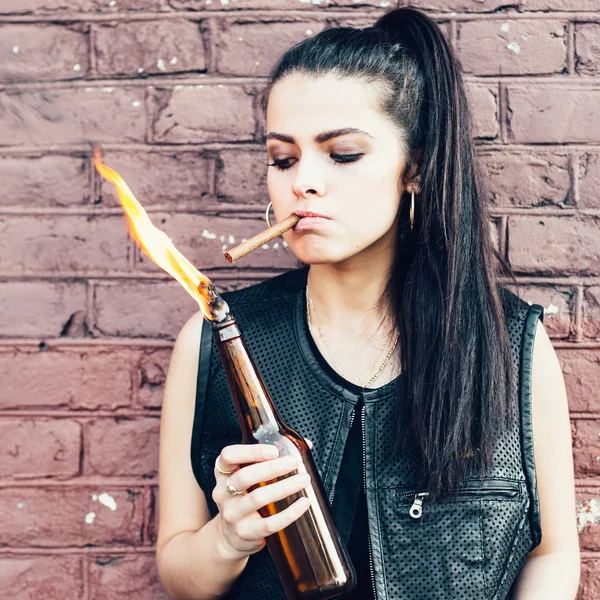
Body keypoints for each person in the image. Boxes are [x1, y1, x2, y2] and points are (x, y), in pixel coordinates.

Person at [155, 7, 580, 600]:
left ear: (415, 169)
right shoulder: (217, 340)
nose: (303, 182)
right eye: (283, 158)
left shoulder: (512, 345)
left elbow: (553, 554)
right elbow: (179, 571)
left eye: (343, 154)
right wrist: (229, 536)